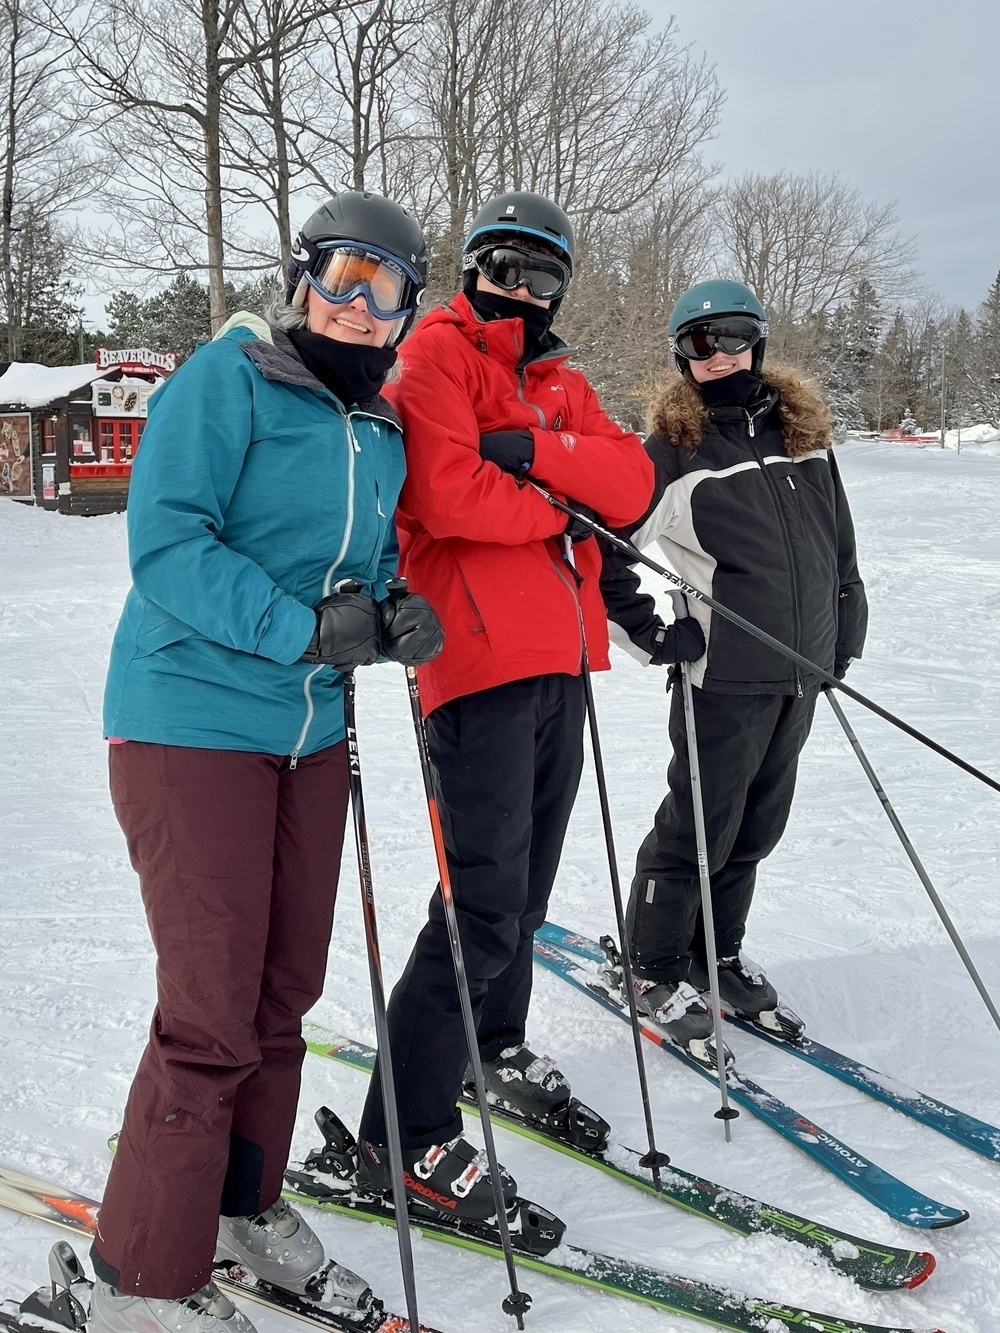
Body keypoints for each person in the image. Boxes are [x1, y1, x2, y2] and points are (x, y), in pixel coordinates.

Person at [89, 192, 443, 1333]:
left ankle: (242, 1207)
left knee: (281, 997)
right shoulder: (224, 380)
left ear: (405, 311)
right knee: (208, 1013)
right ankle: (145, 1280)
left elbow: (369, 558)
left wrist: (393, 614)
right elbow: (169, 546)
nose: (355, 304)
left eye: (383, 287)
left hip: (305, 739)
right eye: (339, 275)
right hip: (189, 722)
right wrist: (305, 629)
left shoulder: (377, 430)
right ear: (300, 280)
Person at [355, 190, 655, 1224]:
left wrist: (528, 454)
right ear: (471, 268)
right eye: (500, 267)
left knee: (523, 896)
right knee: (479, 904)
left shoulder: (559, 374)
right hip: (473, 663)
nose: (518, 289)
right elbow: (441, 492)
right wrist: (558, 499)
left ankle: (494, 1039)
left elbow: (630, 480)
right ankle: (403, 1134)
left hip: (562, 662)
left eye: (540, 273)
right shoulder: (432, 354)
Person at [600, 279, 867, 1064]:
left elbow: (840, 550)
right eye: (698, 343)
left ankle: (711, 953)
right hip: (721, 676)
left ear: (760, 341)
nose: (719, 356)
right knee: (699, 824)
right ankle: (650, 964)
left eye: (734, 337)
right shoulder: (670, 453)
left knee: (756, 826)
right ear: (680, 357)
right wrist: (654, 636)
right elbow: (599, 552)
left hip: (802, 670)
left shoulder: (804, 438)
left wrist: (842, 635)